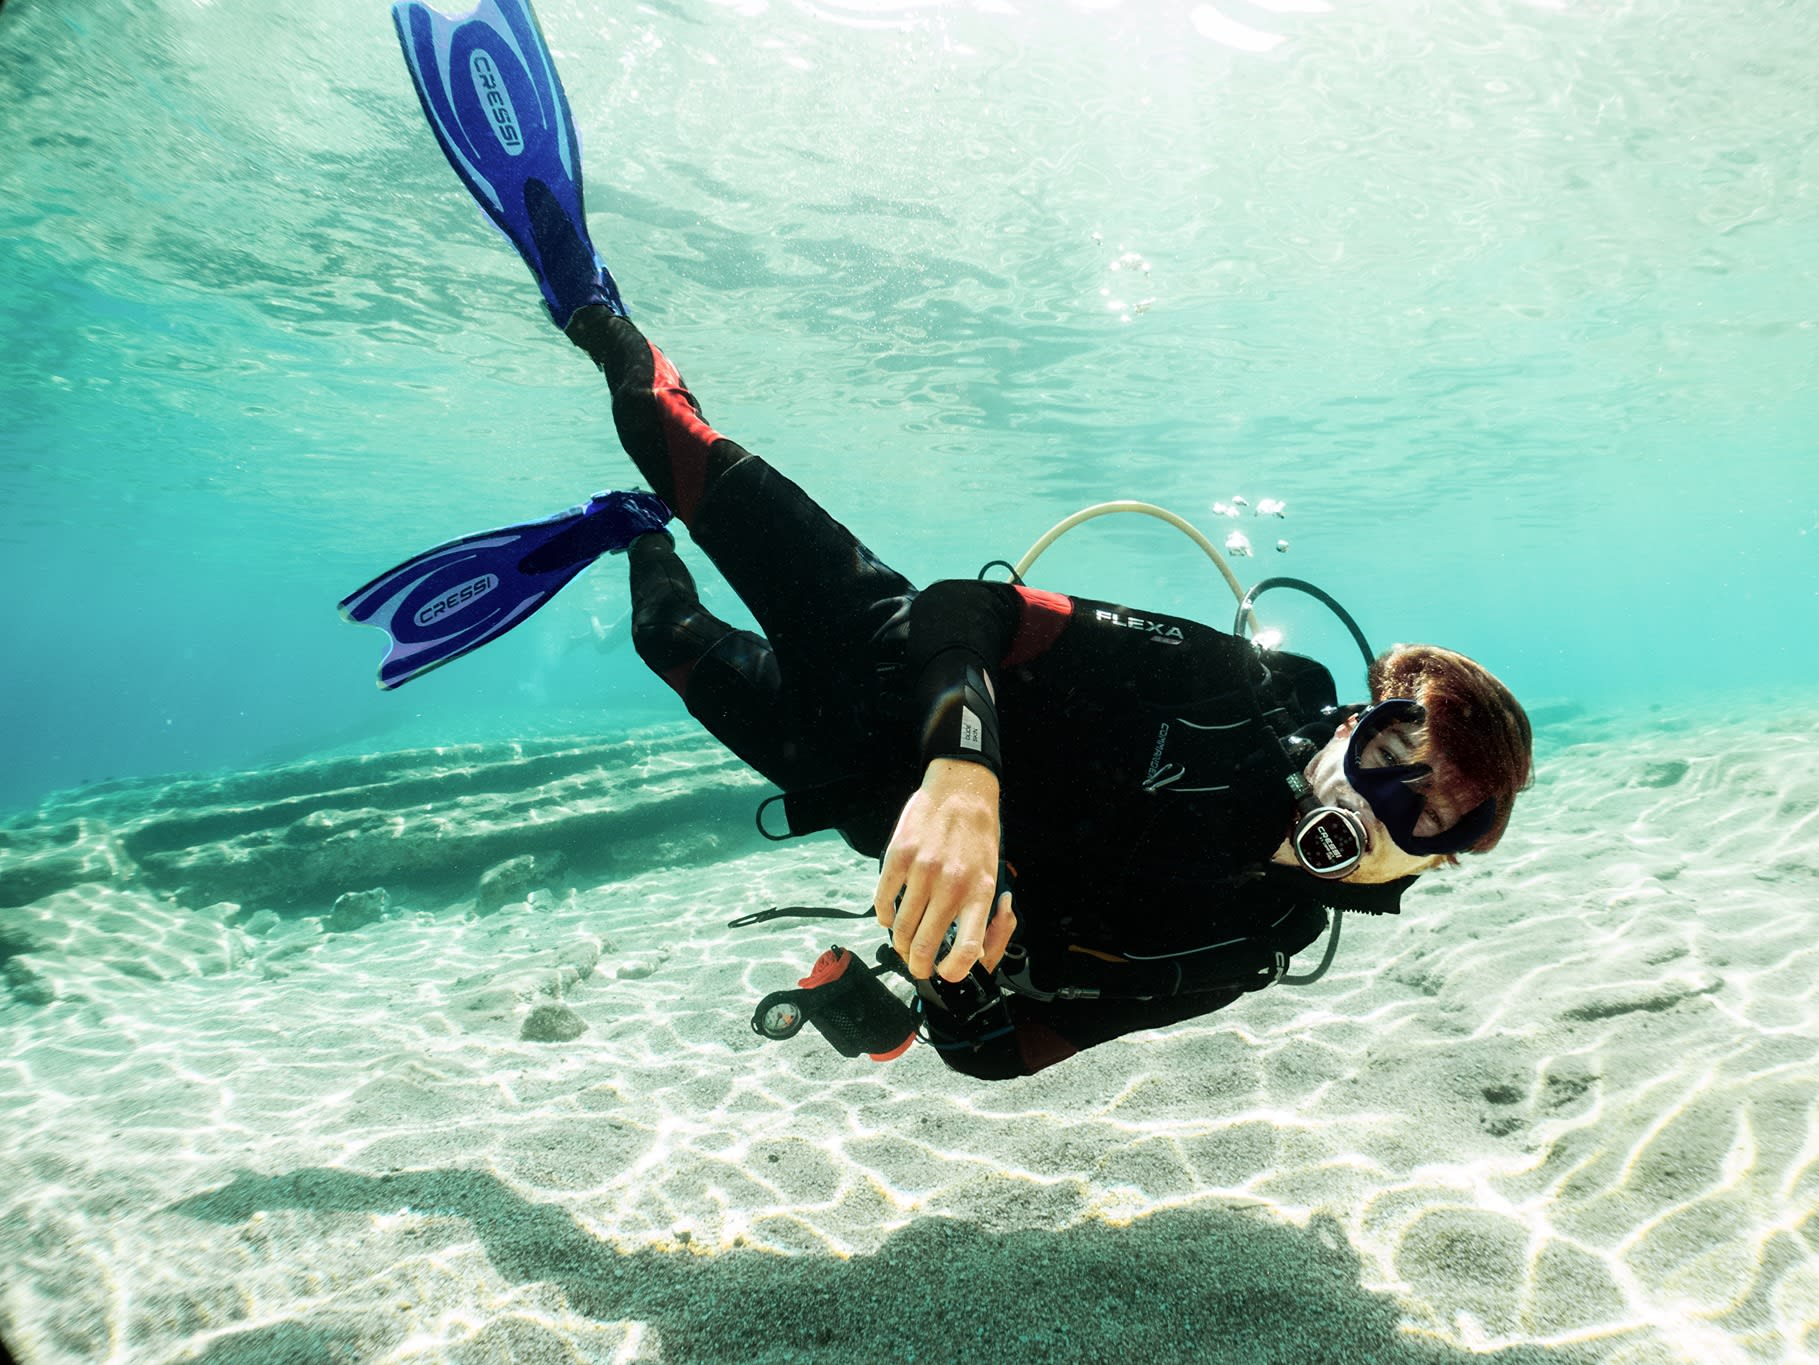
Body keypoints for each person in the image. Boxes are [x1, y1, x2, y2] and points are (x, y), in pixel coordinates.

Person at [379, 0, 1534, 1079]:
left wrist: (955, 989)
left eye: (1438, 815)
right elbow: (962, 613)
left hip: (829, 771)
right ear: (1354, 722)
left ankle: (627, 535)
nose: (1398, 806)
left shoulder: (1245, 948)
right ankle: (589, 303)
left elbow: (1006, 1052)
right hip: (871, 635)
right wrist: (963, 776)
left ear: (1440, 860)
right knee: (662, 430)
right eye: (1398, 757)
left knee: (665, 635)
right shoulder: (1225, 687)